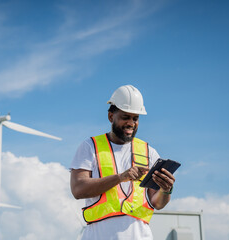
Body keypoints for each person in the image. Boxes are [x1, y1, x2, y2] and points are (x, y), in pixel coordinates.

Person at [70, 85, 176, 240]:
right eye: (126, 117)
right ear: (111, 116)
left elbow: (157, 203)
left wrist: (166, 190)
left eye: (135, 118)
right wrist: (119, 178)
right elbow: (78, 189)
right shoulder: (90, 147)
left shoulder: (149, 152)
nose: (131, 123)